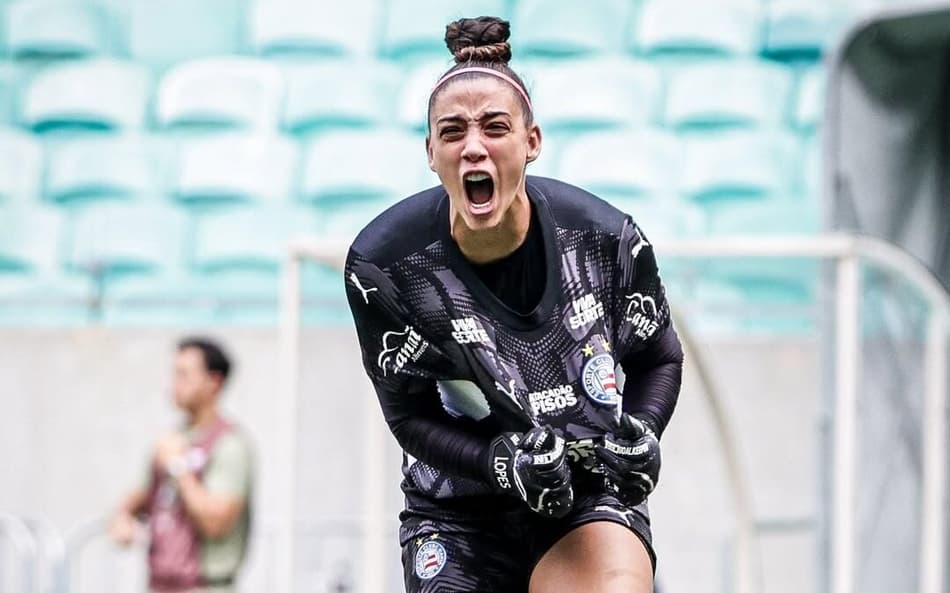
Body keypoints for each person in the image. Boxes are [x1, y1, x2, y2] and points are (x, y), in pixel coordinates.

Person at [344, 16, 683, 593]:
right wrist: (500, 460)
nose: (473, 145)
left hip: (583, 491)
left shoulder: (607, 241)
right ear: (431, 152)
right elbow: (408, 416)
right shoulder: (385, 267)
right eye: (452, 132)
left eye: (494, 128)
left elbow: (659, 359)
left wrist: (643, 432)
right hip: (457, 509)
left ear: (532, 142)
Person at [109, 337, 254, 593]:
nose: (175, 383)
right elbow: (139, 496)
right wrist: (123, 518)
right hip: (160, 584)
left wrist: (178, 467)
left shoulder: (230, 445)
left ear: (214, 381)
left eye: (184, 374)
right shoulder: (172, 440)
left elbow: (216, 522)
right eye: (174, 373)